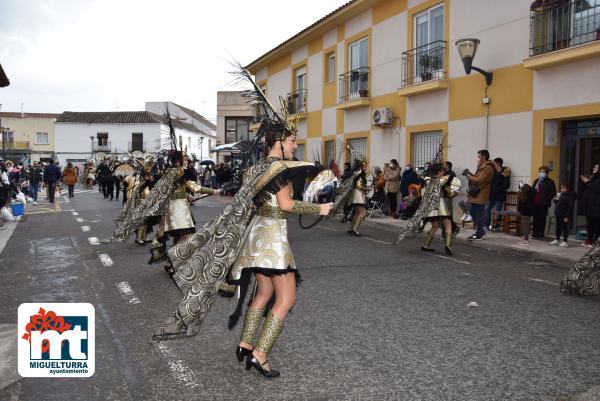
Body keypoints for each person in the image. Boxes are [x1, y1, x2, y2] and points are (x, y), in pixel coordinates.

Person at [419, 164, 461, 255]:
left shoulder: (427, 180)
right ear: (438, 172)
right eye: (442, 171)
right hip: (440, 206)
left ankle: (426, 245)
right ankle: (448, 245)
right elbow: (450, 194)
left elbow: (423, 193)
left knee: (435, 226)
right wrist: (456, 192)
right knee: (448, 224)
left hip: (430, 206)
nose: (443, 172)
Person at [464, 150, 496, 240]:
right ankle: (480, 230)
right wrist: (469, 173)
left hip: (481, 194)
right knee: (472, 212)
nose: (477, 158)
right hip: (477, 194)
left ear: (483, 157)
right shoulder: (482, 167)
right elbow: (477, 177)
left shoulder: (488, 168)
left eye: (478, 156)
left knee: (478, 214)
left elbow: (480, 180)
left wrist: (469, 177)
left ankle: (479, 233)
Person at [531, 165, 556, 239]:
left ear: (546, 173)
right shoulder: (536, 181)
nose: (541, 173)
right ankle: (534, 232)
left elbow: (553, 192)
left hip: (544, 203)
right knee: (535, 218)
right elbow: (533, 190)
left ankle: (541, 233)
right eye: (540, 171)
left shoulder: (550, 181)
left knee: (542, 218)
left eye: (543, 172)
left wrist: (546, 199)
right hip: (535, 202)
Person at [486, 158, 511, 231]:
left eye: (494, 163)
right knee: (487, 209)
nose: (493, 164)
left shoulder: (506, 171)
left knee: (498, 211)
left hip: (499, 195)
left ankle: (497, 226)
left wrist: (498, 188)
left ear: (497, 163)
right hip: (491, 195)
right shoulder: (493, 171)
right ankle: (487, 225)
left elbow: (507, 185)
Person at [346, 159, 369, 236]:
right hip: (358, 195)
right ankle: (355, 229)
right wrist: (367, 188)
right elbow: (359, 186)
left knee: (357, 213)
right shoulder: (360, 174)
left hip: (356, 195)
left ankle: (351, 228)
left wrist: (365, 189)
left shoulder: (359, 174)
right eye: (365, 166)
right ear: (361, 167)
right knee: (363, 213)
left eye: (366, 166)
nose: (366, 168)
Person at [580, 163, 600, 247]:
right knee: (589, 225)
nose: (593, 168)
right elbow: (586, 188)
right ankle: (589, 240)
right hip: (589, 205)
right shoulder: (593, 177)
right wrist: (585, 183)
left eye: (596, 167)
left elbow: (596, 189)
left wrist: (587, 182)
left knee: (597, 226)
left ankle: (596, 242)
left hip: (596, 206)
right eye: (594, 167)